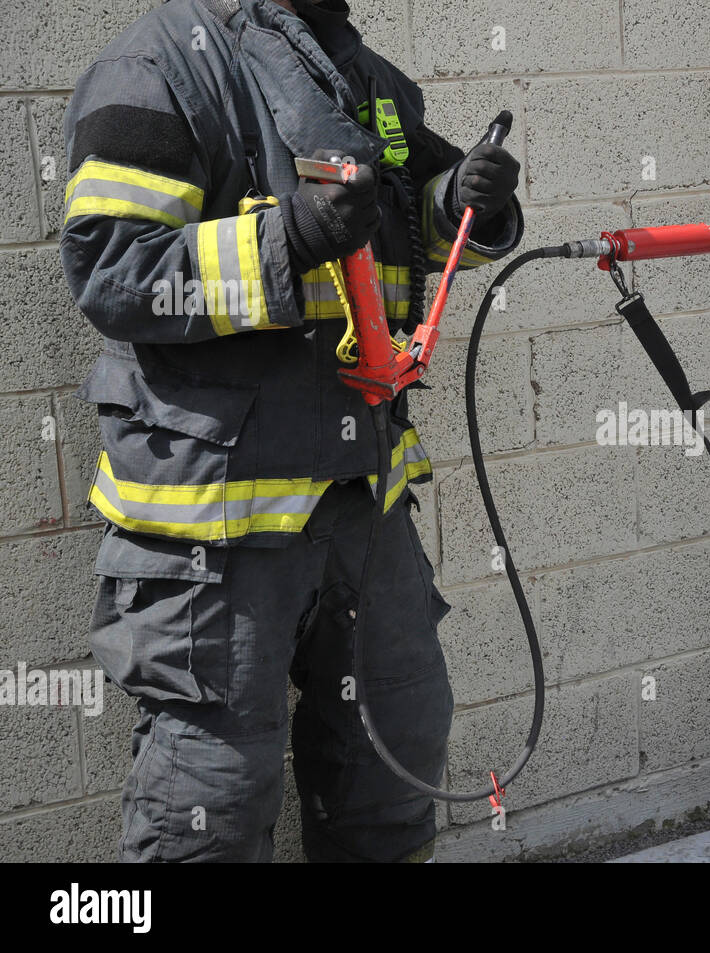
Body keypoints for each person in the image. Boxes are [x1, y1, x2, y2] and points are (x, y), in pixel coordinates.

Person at [60, 0, 522, 862]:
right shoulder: (162, 66)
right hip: (215, 527)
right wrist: (290, 237)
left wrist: (462, 204)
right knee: (213, 805)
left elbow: (398, 235)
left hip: (364, 507)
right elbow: (112, 270)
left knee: (392, 769)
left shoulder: (370, 80)